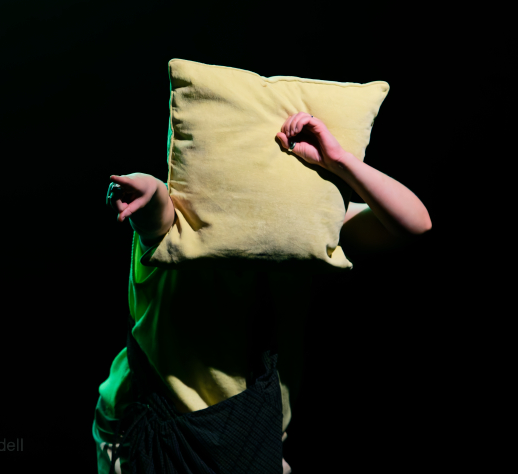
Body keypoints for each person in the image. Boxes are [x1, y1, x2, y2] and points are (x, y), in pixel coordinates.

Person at [93, 112, 432, 473]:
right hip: (155, 436)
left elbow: (415, 223)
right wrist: (148, 190)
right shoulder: (187, 220)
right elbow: (158, 211)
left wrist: (340, 161)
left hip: (250, 435)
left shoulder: (304, 230)